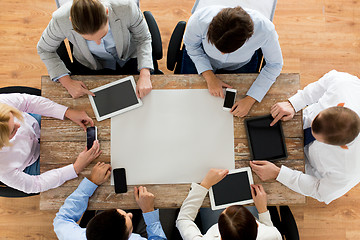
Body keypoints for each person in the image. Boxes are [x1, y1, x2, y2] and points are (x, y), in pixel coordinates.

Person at [250, 70, 360, 204]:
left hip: (305, 167)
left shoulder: (349, 170)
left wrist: (278, 174)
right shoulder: (344, 85)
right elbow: (323, 83)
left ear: (343, 146)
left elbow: (319, 190)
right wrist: (294, 104)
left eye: (319, 139)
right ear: (339, 105)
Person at [37, 0, 153, 99]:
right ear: (71, 21)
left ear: (107, 13)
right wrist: (67, 82)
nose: (98, 43)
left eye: (102, 35)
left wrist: (144, 75)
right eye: (89, 39)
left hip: (129, 58)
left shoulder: (126, 7)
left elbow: (143, 38)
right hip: (89, 65)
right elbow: (44, 49)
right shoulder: (60, 19)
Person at [182, 6, 283, 117]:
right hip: (203, 57)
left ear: (248, 38)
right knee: (186, 99)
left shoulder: (265, 30)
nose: (222, 54)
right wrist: (209, 76)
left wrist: (250, 99)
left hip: (242, 64)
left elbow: (275, 65)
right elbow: (191, 45)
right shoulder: (199, 20)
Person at [0, 93, 101, 193]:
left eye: (13, 116)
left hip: (33, 123)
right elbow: (35, 185)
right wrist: (76, 168)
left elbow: (28, 102)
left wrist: (67, 112)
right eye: (13, 130)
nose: (19, 125)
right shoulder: (2, 169)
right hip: (29, 162)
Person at [53, 162, 167, 240]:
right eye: (128, 217)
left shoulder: (76, 237)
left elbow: (61, 219)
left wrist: (92, 182)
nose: (130, 214)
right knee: (165, 208)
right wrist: (149, 211)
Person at [176, 168, 282, 240]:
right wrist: (262, 210)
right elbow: (269, 230)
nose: (228, 206)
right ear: (257, 225)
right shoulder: (273, 235)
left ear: (221, 237)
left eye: (224, 211)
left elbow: (183, 220)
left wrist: (205, 185)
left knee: (210, 202)